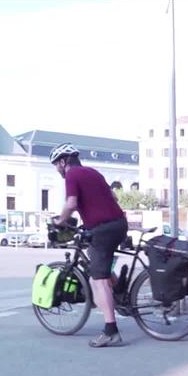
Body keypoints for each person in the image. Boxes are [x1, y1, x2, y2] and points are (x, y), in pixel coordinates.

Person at [50, 142, 129, 348]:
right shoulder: (93, 172)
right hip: (119, 224)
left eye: (56, 165)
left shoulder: (72, 175)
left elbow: (72, 203)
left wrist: (60, 221)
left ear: (63, 161)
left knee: (98, 280)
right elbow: (113, 197)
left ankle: (111, 331)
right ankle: (119, 291)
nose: (57, 169)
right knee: (100, 263)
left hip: (104, 230)